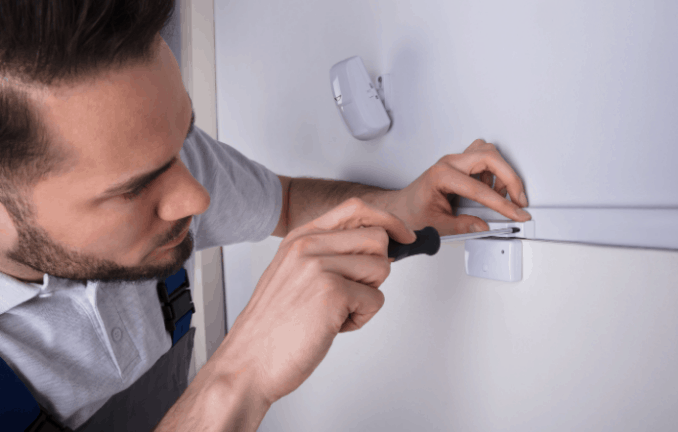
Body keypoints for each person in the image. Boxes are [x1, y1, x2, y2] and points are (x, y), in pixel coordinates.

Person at [0, 1, 531, 430]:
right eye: (135, 189)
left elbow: (289, 203)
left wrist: (403, 206)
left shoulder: (162, 160)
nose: (197, 198)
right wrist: (240, 375)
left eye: (183, 140)